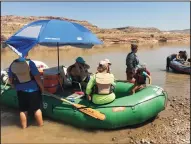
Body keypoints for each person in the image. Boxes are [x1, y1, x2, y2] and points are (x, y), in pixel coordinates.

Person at [8, 53, 44, 129]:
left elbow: (10, 79)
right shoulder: (30, 63)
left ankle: (24, 128)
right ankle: (41, 127)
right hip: (33, 90)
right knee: (36, 109)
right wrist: (42, 88)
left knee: (23, 110)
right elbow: (37, 78)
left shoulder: (12, 64)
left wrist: (13, 85)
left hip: (20, 90)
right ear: (26, 54)